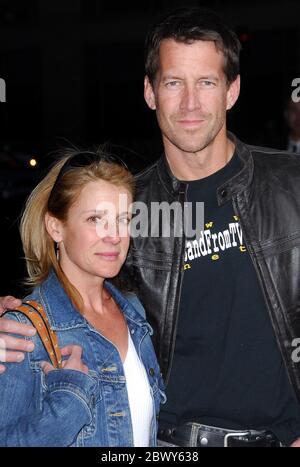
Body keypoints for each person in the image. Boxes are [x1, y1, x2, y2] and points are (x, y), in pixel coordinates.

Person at [1, 6, 300, 447]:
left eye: (207, 83)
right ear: (150, 92)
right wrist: (11, 321)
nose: (191, 103)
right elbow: (69, 300)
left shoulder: (291, 185)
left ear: (232, 91)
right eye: (174, 83)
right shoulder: (129, 209)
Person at [0, 149, 165, 447]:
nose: (114, 236)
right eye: (94, 219)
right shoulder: (23, 332)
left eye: (123, 219)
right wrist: (69, 401)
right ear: (56, 227)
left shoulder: (134, 313)